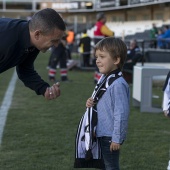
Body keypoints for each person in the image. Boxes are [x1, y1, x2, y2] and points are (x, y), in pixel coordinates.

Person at [74, 37, 130, 170]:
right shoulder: (106, 78)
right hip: (100, 132)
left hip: (110, 136)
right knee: (103, 166)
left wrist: (117, 138)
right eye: (96, 57)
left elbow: (121, 113)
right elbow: (102, 102)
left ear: (116, 60)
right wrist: (90, 102)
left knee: (111, 166)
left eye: (102, 56)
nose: (97, 60)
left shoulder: (117, 84)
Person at [0, 8, 66, 100]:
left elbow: (25, 70)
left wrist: (44, 89)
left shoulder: (32, 43)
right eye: (54, 40)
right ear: (37, 34)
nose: (56, 45)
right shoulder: (6, 39)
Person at [93, 12, 114, 83]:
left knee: (97, 62)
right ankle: (100, 80)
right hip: (102, 47)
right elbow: (111, 33)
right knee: (102, 63)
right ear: (102, 19)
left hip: (97, 47)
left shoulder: (96, 25)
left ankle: (96, 79)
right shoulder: (102, 26)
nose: (106, 19)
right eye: (105, 18)